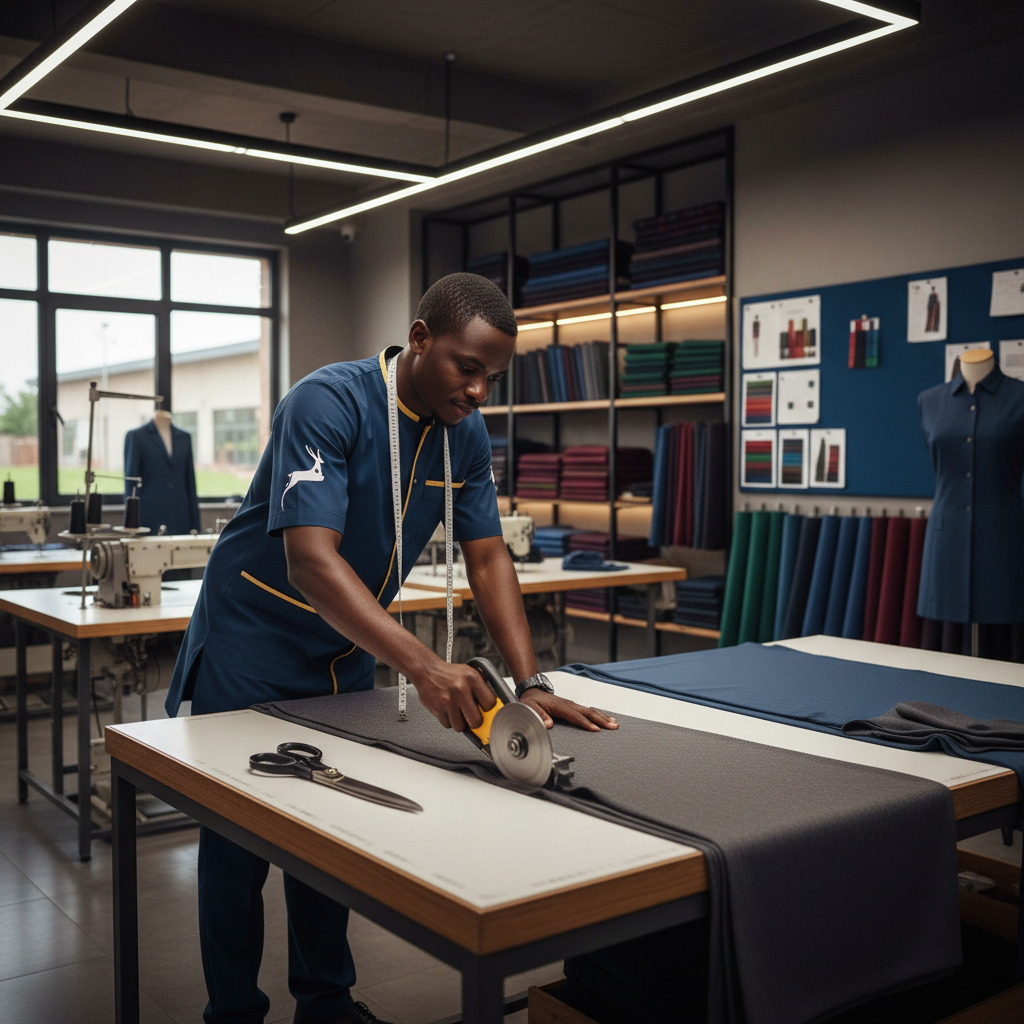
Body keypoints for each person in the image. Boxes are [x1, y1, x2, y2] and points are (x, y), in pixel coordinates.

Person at [165, 272, 618, 1024]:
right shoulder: (327, 403)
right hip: (251, 633)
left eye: (492, 379)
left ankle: (327, 1002)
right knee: (237, 841)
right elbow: (311, 559)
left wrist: (531, 680)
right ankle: (234, 1011)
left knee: (326, 825)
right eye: (467, 368)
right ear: (419, 340)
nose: (479, 392)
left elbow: (487, 557)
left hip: (341, 646)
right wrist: (423, 664)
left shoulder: (462, 434)